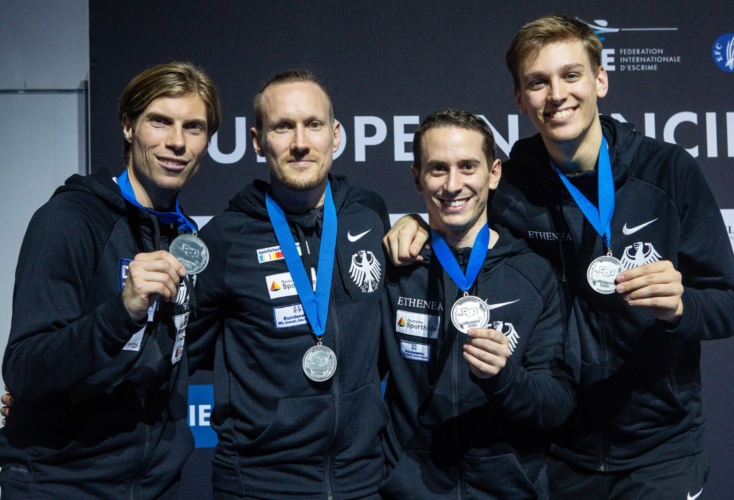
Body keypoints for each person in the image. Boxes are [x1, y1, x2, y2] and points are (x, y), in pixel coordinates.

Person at [385, 15, 734, 500]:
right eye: (537, 82)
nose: (556, 94)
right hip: (560, 450)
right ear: (520, 98)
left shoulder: (667, 171)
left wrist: (682, 308)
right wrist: (419, 223)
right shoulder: (514, 182)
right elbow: (460, 209)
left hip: (660, 447)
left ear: (600, 79)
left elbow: (727, 301)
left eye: (571, 75)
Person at [0, 62, 221, 499]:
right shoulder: (69, 220)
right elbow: (24, 368)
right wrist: (121, 312)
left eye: (193, 127)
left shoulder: (186, 236)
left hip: (154, 485)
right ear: (127, 126)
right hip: (63, 483)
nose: (176, 142)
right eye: (160, 121)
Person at [188, 71, 390, 499]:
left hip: (362, 482)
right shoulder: (226, 239)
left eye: (313, 124)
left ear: (335, 134)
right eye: (283, 126)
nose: (301, 142)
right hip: (259, 485)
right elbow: (175, 354)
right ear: (258, 141)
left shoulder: (369, 216)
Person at [379, 109, 576, 499]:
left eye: (468, 166)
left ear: (494, 173)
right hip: (408, 488)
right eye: (438, 169)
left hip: (509, 490)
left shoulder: (534, 273)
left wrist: (506, 380)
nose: (453, 185)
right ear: (417, 177)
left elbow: (558, 403)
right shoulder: (395, 270)